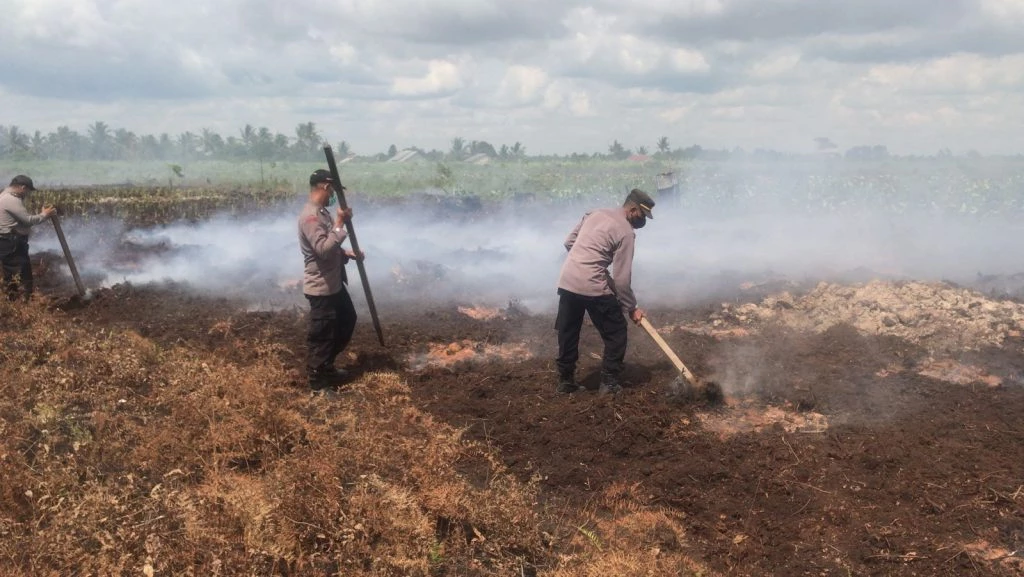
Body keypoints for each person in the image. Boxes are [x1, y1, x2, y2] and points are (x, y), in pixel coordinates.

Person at [554, 188, 654, 395]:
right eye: (642, 216)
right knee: (616, 332)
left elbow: (569, 242)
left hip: (568, 280)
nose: (643, 221)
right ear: (633, 209)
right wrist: (632, 307)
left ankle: (565, 381)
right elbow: (622, 278)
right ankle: (609, 383)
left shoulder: (595, 214)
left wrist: (587, 262)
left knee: (568, 331)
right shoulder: (626, 232)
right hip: (592, 286)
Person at [298, 169, 363, 391]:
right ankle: (318, 384)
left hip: (334, 283)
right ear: (325, 186)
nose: (334, 193)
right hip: (321, 287)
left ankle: (327, 366)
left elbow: (330, 246)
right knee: (323, 335)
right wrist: (340, 223)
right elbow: (323, 250)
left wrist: (346, 254)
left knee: (347, 320)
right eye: (333, 189)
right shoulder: (310, 217)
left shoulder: (321, 212)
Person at [0, 175, 56, 301]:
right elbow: (28, 220)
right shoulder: (10, 200)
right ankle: (26, 303)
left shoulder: (4, 194)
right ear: (23, 187)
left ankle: (13, 301)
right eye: (28, 191)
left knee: (10, 273)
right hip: (12, 243)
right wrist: (44, 215)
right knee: (23, 272)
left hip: (7, 242)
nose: (28, 194)